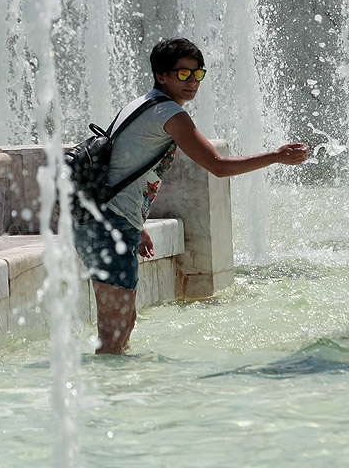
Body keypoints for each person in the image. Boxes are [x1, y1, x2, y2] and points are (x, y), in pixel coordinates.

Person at [72, 37, 309, 354]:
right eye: (183, 74)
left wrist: (136, 223)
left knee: (122, 324)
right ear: (162, 76)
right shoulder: (169, 113)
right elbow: (218, 166)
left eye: (198, 74)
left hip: (104, 221)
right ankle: (108, 395)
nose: (192, 82)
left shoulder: (142, 103)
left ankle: (115, 391)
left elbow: (121, 166)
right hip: (109, 225)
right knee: (115, 332)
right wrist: (276, 157)